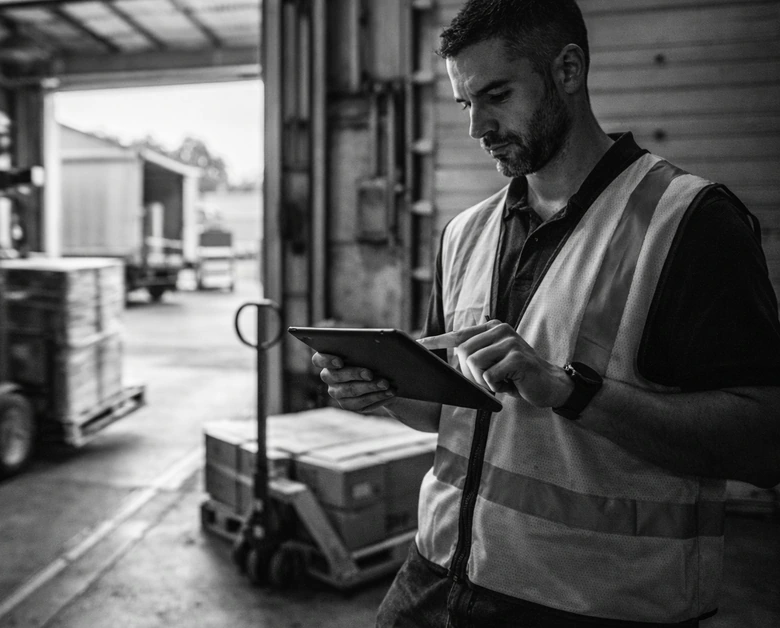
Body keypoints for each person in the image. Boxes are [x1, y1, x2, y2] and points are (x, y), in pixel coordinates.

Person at [312, 1, 780, 626]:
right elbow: (445, 414)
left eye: (496, 95)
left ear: (568, 70)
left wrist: (567, 391)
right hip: (438, 575)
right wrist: (382, 390)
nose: (477, 127)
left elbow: (764, 444)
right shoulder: (463, 234)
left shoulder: (690, 223)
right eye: (464, 104)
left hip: (591, 605)